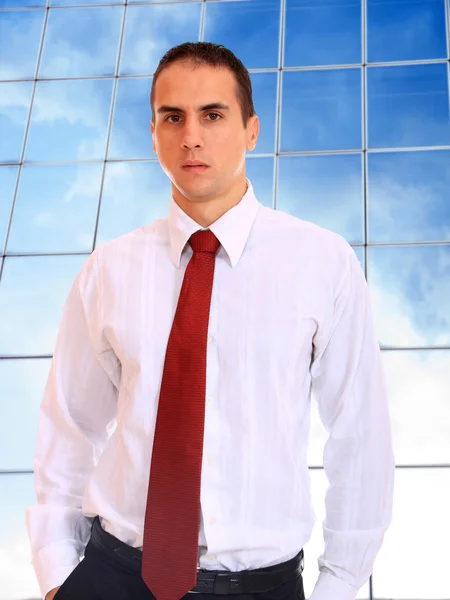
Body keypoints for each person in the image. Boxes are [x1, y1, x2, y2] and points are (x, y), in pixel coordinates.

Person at [26, 41, 395, 600]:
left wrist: (340, 584)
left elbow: (359, 434)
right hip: (112, 575)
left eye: (213, 115)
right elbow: (70, 425)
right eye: (172, 117)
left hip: (262, 586)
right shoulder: (108, 270)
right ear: (153, 132)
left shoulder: (323, 263)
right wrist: (57, 570)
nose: (190, 137)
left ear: (251, 129)